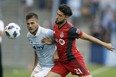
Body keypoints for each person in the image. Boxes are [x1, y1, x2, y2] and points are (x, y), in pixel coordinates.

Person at [42, 4, 114, 77]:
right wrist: (53, 44)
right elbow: (61, 41)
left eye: (60, 15)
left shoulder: (71, 29)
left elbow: (88, 37)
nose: (57, 17)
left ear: (66, 17)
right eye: (57, 14)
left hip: (73, 60)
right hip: (62, 62)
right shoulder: (56, 25)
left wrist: (105, 44)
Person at [25, 12, 58, 77]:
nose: (30, 26)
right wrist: (35, 65)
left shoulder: (47, 33)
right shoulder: (29, 36)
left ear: (37, 22)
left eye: (32, 23)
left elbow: (63, 40)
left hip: (50, 67)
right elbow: (36, 50)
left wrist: (53, 42)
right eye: (28, 24)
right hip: (39, 66)